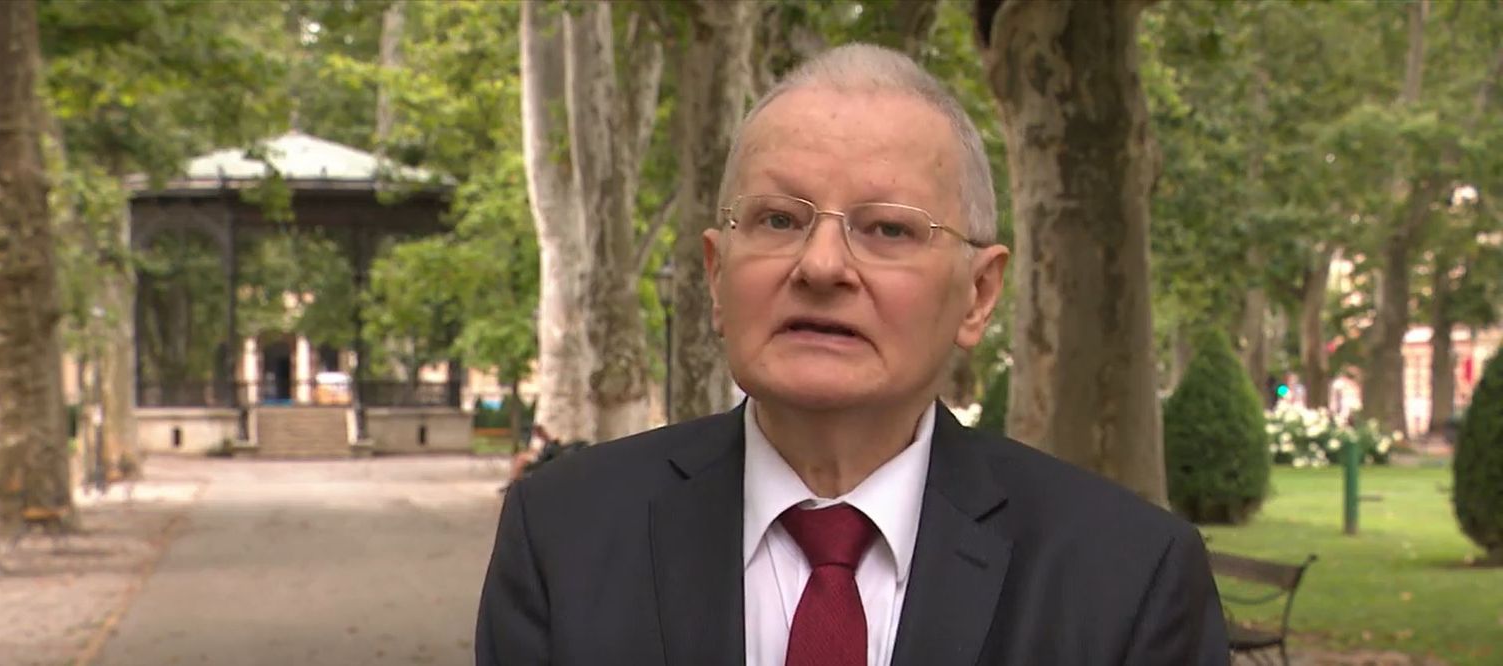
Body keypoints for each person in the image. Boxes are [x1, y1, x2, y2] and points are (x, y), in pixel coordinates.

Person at [476, 43, 1229, 666]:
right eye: (778, 219)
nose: (822, 266)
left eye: (888, 229)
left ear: (978, 294)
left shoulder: (1126, 578)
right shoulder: (564, 535)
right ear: (715, 275)